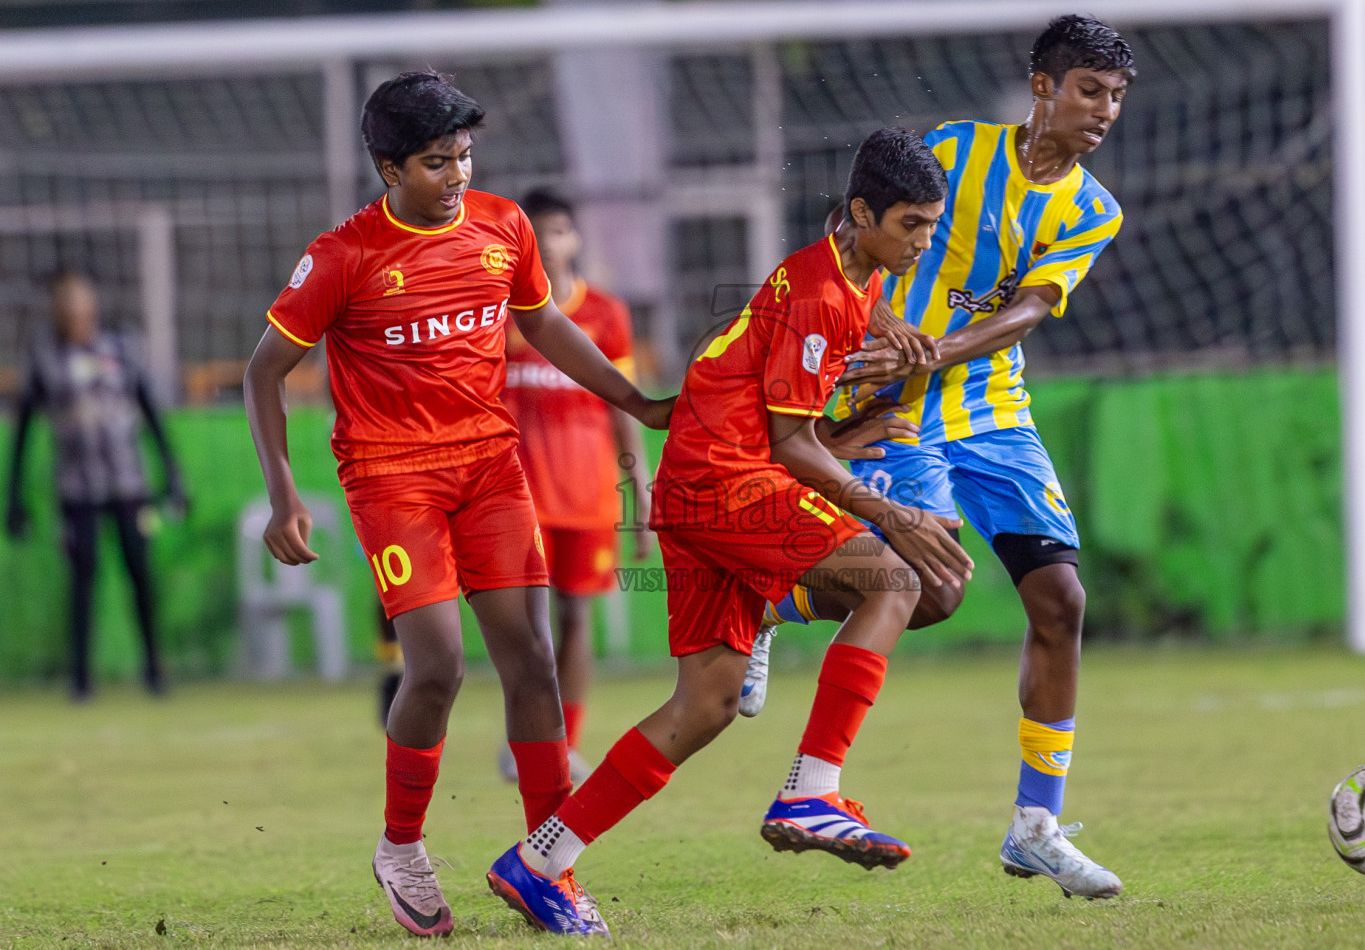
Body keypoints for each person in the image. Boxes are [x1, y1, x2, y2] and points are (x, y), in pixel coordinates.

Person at [482, 127, 974, 937]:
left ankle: (538, 862)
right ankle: (813, 789)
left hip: (695, 487)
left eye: (931, 223)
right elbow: (789, 443)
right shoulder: (820, 296)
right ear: (861, 213)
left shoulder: (843, 268)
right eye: (913, 225)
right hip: (726, 481)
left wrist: (883, 324)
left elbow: (814, 327)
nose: (925, 241)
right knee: (899, 580)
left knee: (705, 704)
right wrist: (884, 510)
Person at [243, 71, 671, 939]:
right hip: (391, 477)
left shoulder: (503, 226)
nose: (458, 177)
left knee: (536, 663)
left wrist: (637, 402)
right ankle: (401, 845)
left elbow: (546, 324)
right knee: (436, 664)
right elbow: (263, 372)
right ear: (387, 167)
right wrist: (282, 493)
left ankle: (551, 865)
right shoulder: (343, 257)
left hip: (488, 468)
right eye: (438, 163)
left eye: (466, 157)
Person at [743, 15, 1136, 900]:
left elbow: (1032, 309)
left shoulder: (1093, 208)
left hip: (992, 408)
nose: (1104, 109)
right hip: (894, 405)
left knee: (1062, 599)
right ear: (1042, 85)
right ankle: (776, 601)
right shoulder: (956, 151)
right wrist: (884, 329)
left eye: (1116, 95)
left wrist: (931, 348)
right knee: (931, 590)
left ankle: (1036, 826)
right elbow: (852, 229)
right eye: (1088, 89)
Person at [497, 188, 653, 785]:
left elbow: (622, 406)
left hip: (586, 494)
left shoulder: (607, 315)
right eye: (538, 234)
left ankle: (567, 741)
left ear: (575, 239)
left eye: (559, 232)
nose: (550, 245)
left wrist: (636, 488)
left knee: (575, 618)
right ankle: (531, 739)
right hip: (517, 495)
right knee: (531, 624)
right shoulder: (501, 313)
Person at [5, 270, 184, 700]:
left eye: (80, 297)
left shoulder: (122, 347)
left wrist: (171, 474)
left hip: (128, 483)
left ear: (93, 303)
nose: (74, 307)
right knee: (82, 579)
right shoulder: (46, 356)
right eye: (65, 300)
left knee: (139, 572)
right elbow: (25, 427)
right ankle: (81, 679)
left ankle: (155, 670)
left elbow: (149, 411)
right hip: (76, 488)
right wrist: (13, 497)